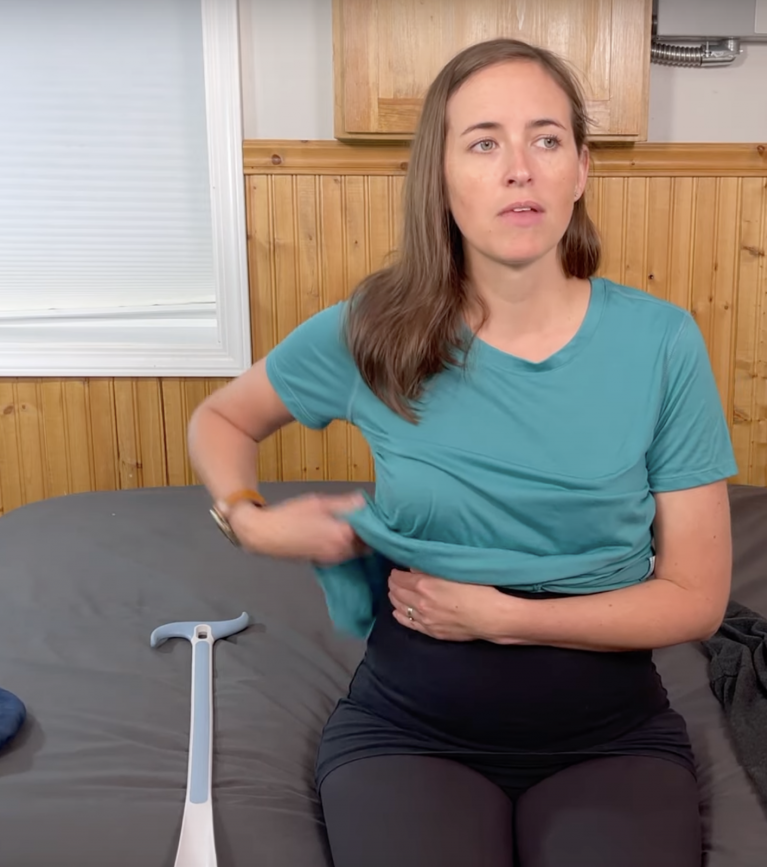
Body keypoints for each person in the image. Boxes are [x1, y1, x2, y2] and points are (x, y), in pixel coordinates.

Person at [187, 37, 737, 867]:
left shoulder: (661, 341)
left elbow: (696, 597)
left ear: (580, 170)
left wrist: (505, 617)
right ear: (440, 179)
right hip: (409, 731)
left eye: (546, 139)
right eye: (484, 142)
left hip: (610, 734)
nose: (520, 168)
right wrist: (250, 521)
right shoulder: (374, 329)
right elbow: (222, 419)